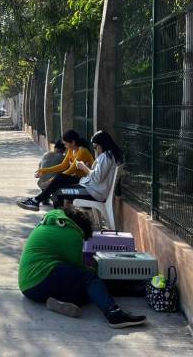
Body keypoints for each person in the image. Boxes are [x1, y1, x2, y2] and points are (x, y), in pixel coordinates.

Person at [18, 206, 147, 328]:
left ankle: (56, 302)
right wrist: (95, 272)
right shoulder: (72, 235)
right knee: (89, 278)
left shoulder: (53, 223)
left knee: (90, 291)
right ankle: (114, 314)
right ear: (82, 228)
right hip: (42, 275)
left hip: (29, 288)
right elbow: (79, 267)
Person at [17, 130, 94, 211]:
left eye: (66, 144)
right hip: (77, 178)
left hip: (86, 180)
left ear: (73, 142)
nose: (65, 146)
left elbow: (70, 170)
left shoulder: (82, 151)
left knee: (58, 180)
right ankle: (52, 210)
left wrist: (51, 180)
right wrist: (44, 170)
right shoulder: (71, 150)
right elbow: (62, 166)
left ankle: (36, 200)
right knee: (56, 188)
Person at [50, 130, 123, 208]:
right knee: (61, 188)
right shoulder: (113, 155)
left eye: (95, 147)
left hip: (94, 192)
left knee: (59, 193)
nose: (95, 150)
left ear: (101, 144)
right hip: (95, 190)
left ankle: (60, 219)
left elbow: (97, 177)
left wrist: (83, 167)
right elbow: (99, 175)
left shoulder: (106, 157)